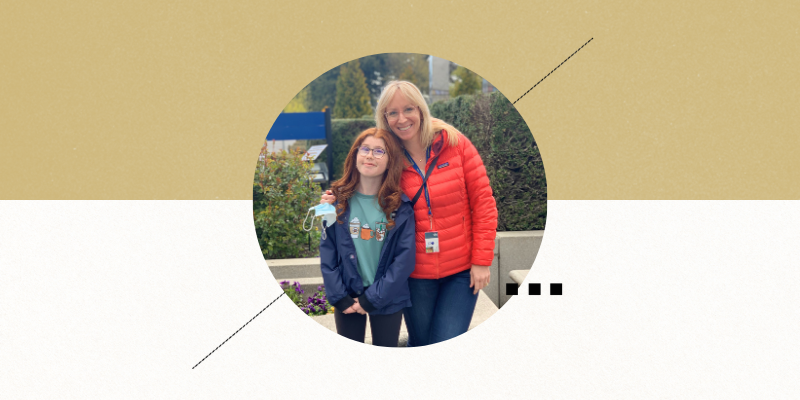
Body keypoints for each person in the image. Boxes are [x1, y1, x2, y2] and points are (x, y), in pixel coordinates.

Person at [322, 81, 498, 347]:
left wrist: (482, 260)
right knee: (421, 342)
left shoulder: (455, 143)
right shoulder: (388, 156)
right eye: (392, 112)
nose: (401, 118)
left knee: (447, 340)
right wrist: (335, 199)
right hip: (416, 274)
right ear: (384, 117)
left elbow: (483, 202)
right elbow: (363, 184)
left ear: (421, 110)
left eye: (408, 109)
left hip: (460, 269)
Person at [319, 127, 416, 347]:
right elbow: (328, 253)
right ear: (355, 155)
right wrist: (338, 296)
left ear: (390, 161)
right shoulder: (336, 203)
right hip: (347, 297)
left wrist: (372, 298)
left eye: (379, 151)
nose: (370, 155)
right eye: (365, 149)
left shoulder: (401, 207)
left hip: (387, 297)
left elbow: (404, 260)